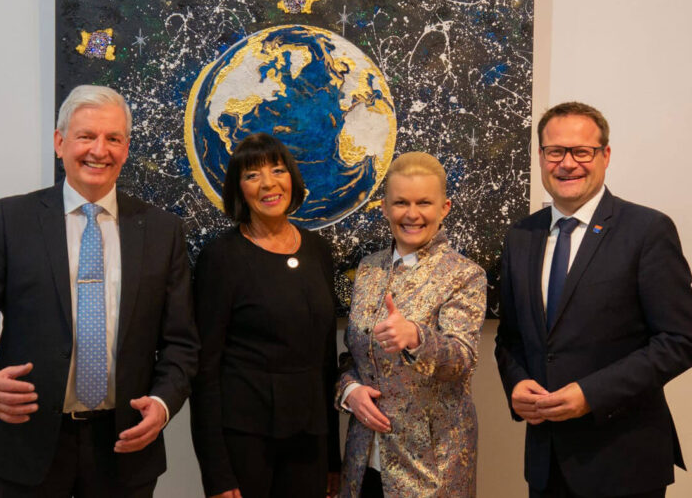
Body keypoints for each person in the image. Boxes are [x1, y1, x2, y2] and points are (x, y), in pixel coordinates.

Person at [0, 84, 200, 497]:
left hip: (124, 446)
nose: (100, 149)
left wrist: (164, 404)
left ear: (126, 147)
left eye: (113, 138)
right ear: (60, 142)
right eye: (86, 136)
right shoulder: (13, 219)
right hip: (26, 443)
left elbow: (181, 345)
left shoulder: (162, 230)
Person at [495, 101, 692, 498]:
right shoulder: (521, 236)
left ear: (605, 155)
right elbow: (510, 339)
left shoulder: (647, 230)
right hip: (546, 464)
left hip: (624, 463)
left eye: (581, 151)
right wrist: (515, 386)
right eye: (555, 152)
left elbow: (680, 339)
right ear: (541, 156)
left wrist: (591, 394)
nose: (567, 164)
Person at [189, 132, 341, 498]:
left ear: (292, 177)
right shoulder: (220, 258)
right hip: (244, 441)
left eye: (277, 170)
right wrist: (217, 474)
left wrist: (333, 456)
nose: (269, 183)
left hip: (310, 439)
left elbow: (325, 362)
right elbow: (204, 371)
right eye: (252, 175)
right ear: (239, 189)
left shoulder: (318, 251)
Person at [336, 152, 487, 498]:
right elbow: (353, 357)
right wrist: (349, 391)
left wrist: (417, 337)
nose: (412, 214)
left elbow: (462, 359)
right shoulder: (368, 270)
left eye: (424, 202)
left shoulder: (464, 275)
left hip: (430, 471)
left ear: (445, 207)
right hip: (363, 461)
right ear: (385, 208)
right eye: (401, 202)